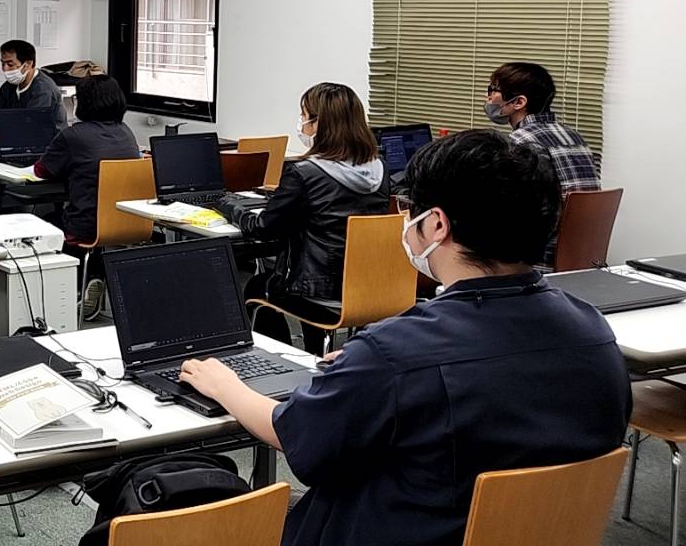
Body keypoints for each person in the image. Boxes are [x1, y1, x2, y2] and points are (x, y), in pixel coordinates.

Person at [179, 129, 630, 546]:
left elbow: (293, 434)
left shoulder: (394, 353)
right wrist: (364, 373)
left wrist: (225, 385)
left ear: (436, 225)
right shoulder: (593, 332)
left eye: (410, 209)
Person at [242, 83, 391, 354]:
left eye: (304, 116)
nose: (301, 123)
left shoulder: (304, 173)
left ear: (319, 124)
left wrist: (231, 209)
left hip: (318, 292)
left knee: (257, 286)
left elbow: (264, 228)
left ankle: (289, 361)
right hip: (370, 290)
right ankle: (312, 354)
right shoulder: (379, 171)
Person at [31, 74, 140, 320]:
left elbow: (42, 170)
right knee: (89, 218)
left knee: (45, 222)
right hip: (129, 223)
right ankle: (96, 274)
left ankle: (64, 295)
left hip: (86, 226)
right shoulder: (127, 132)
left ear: (84, 102)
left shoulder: (73, 135)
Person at [486, 61, 601, 194]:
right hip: (588, 209)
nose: (487, 97)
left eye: (493, 90)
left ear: (519, 102)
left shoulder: (519, 141)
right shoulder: (574, 136)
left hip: (553, 208)